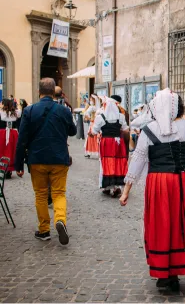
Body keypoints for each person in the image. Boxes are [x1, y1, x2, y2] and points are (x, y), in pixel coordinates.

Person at [119, 89, 185, 291]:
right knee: (182, 224)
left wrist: (126, 190)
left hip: (160, 183)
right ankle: (176, 271)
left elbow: (138, 160)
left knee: (162, 225)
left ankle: (164, 273)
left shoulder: (148, 130)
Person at [14, 78, 76, 244]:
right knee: (59, 193)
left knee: (41, 195)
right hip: (59, 159)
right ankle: (60, 219)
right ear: (54, 92)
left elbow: (22, 140)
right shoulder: (64, 110)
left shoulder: (29, 110)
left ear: (39, 92)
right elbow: (73, 131)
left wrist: (18, 164)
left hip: (37, 159)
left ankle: (44, 230)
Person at [90, 97, 129, 197]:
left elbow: (94, 131)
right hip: (118, 142)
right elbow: (125, 129)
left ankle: (108, 186)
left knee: (107, 163)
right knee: (118, 162)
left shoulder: (101, 117)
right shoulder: (121, 117)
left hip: (106, 143)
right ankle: (117, 186)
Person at [0, 99, 21, 178]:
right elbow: (19, 113)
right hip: (13, 133)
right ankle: (9, 169)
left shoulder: (1, 112)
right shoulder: (15, 112)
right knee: (11, 151)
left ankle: (3, 168)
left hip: (2, 133)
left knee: (3, 151)